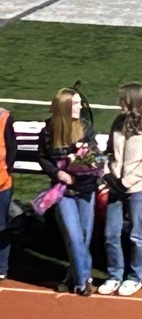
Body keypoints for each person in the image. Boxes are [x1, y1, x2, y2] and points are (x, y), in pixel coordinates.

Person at [98, 83, 142, 297]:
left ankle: (135, 277)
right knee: (110, 233)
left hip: (139, 188)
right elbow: (109, 151)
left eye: (123, 99)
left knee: (137, 234)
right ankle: (115, 275)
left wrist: (127, 181)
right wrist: (109, 173)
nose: (119, 104)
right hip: (116, 185)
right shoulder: (118, 122)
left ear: (134, 101)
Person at [38, 88, 102, 296]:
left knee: (84, 237)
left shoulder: (85, 127)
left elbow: (96, 157)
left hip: (85, 190)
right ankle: (84, 281)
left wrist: (85, 160)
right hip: (63, 191)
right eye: (75, 104)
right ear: (64, 107)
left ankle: (72, 274)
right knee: (73, 237)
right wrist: (58, 173)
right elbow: (43, 158)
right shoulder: (49, 130)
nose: (80, 107)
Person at [0, 104, 16, 281]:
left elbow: (12, 148)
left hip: (1, 183)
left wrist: (6, 170)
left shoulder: (3, 117)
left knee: (1, 226)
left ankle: (1, 267)